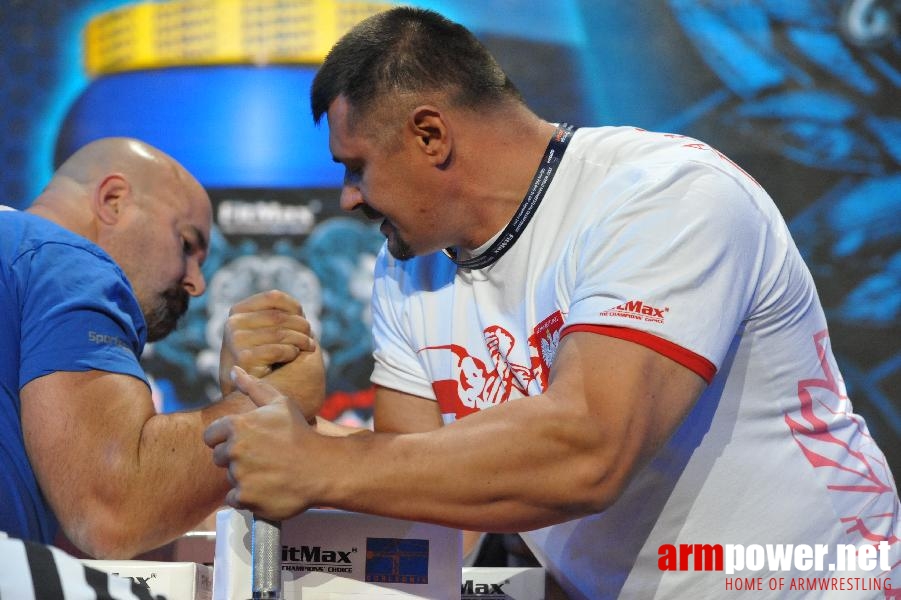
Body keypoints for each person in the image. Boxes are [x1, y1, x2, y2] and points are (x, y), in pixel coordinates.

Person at [203, 7, 901, 599]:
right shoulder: (407, 271)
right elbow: (422, 489)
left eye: (356, 167)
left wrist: (317, 462)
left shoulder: (664, 195)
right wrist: (277, 425)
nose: (347, 198)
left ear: (429, 135)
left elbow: (590, 450)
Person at [0, 137, 324, 560]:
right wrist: (271, 403)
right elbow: (112, 511)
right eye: (187, 245)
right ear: (113, 201)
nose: (196, 283)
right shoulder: (64, 261)